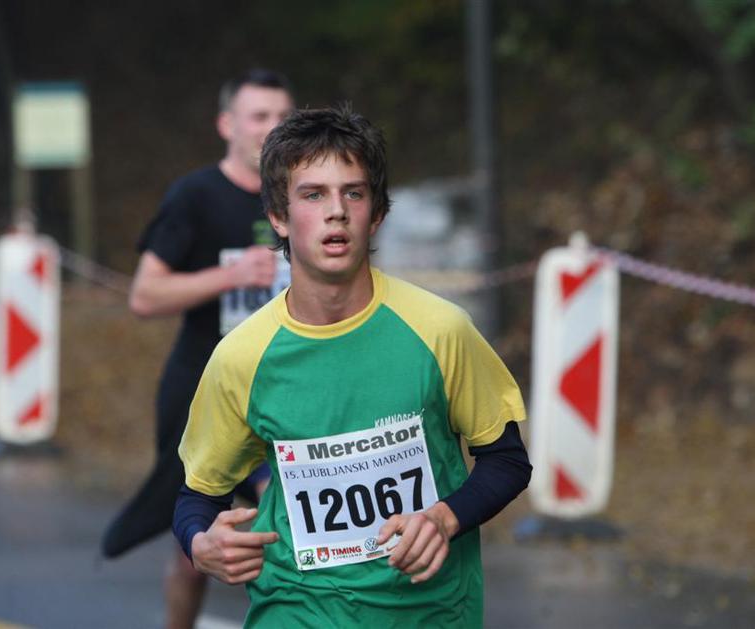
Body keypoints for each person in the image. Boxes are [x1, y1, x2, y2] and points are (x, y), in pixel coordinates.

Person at [172, 105, 532, 628]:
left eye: (354, 193)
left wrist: (444, 517)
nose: (336, 211)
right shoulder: (242, 356)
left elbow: (507, 460)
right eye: (313, 195)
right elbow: (198, 496)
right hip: (295, 609)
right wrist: (200, 543)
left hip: (427, 613)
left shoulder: (439, 330)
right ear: (278, 216)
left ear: (376, 213)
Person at [101, 69, 295, 629]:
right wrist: (230, 276)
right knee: (196, 554)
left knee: (287, 525)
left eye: (283, 116)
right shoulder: (195, 196)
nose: (271, 128)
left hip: (284, 388)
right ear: (226, 124)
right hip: (202, 389)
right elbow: (145, 295)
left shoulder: (304, 195)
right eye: (259, 116)